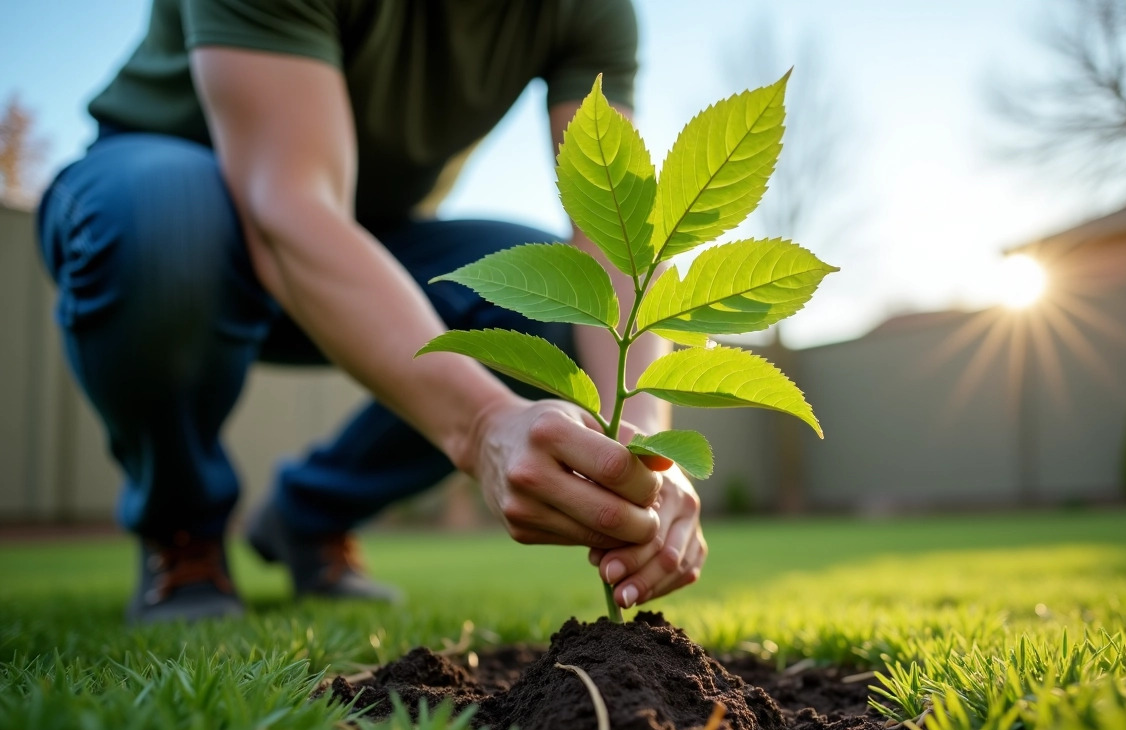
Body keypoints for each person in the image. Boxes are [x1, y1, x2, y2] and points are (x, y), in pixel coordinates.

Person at [37, 0, 706, 624]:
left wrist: (646, 447)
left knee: (548, 295)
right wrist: (482, 426)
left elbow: (614, 239)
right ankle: (181, 530)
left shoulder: (589, 11)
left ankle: (311, 514)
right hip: (171, 209)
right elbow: (289, 207)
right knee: (163, 226)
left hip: (371, 231)